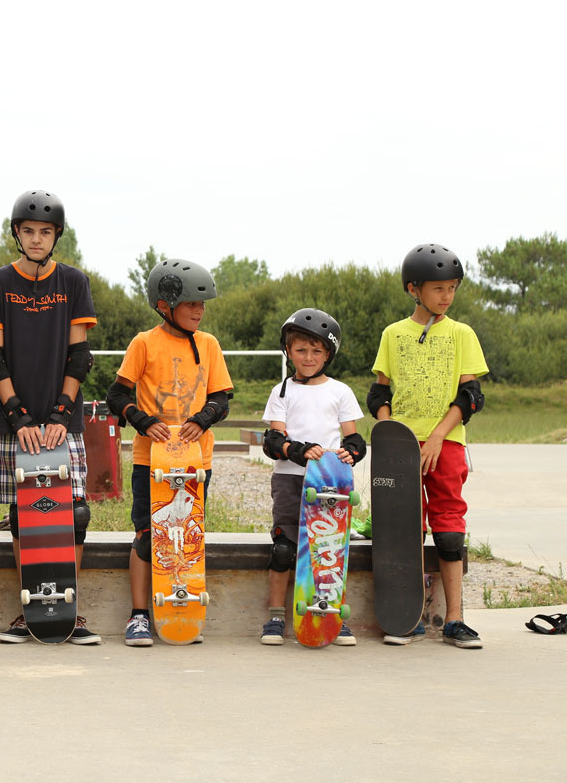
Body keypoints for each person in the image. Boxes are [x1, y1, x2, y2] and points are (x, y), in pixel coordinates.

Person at [0, 190, 101, 645]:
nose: (35, 238)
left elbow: (80, 356)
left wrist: (60, 414)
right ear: (16, 233)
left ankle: (70, 609)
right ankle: (27, 611)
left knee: (75, 514)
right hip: (15, 423)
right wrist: (20, 417)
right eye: (27, 231)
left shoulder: (73, 282)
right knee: (23, 514)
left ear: (56, 236)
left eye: (44, 232)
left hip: (60, 420)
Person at [106, 259, 233, 647]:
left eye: (203, 304)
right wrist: (143, 421)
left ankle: (181, 607)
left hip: (195, 461)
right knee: (149, 534)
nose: (200, 311)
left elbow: (222, 398)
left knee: (183, 534)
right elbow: (117, 395)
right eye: (192, 304)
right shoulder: (144, 343)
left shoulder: (208, 344)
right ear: (165, 305)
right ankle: (140, 615)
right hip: (152, 460)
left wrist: (204, 418)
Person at [368, 244, 488, 649]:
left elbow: (470, 395)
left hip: (447, 442)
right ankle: (409, 617)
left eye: (452, 288)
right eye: (439, 289)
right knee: (405, 530)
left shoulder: (461, 333)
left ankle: (454, 619)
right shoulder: (393, 334)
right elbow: (378, 393)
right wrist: (389, 435)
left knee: (449, 532)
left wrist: (438, 434)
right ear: (413, 289)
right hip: (401, 445)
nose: (447, 297)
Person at [257, 309, 365, 646]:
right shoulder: (283, 390)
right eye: (301, 350)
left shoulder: (340, 391)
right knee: (284, 549)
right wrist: (298, 449)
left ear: (328, 355)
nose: (308, 357)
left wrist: (352, 452)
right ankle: (276, 617)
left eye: (316, 351)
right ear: (288, 351)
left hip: (329, 484)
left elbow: (354, 439)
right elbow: (274, 441)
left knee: (328, 550)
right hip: (290, 479)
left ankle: (332, 614)